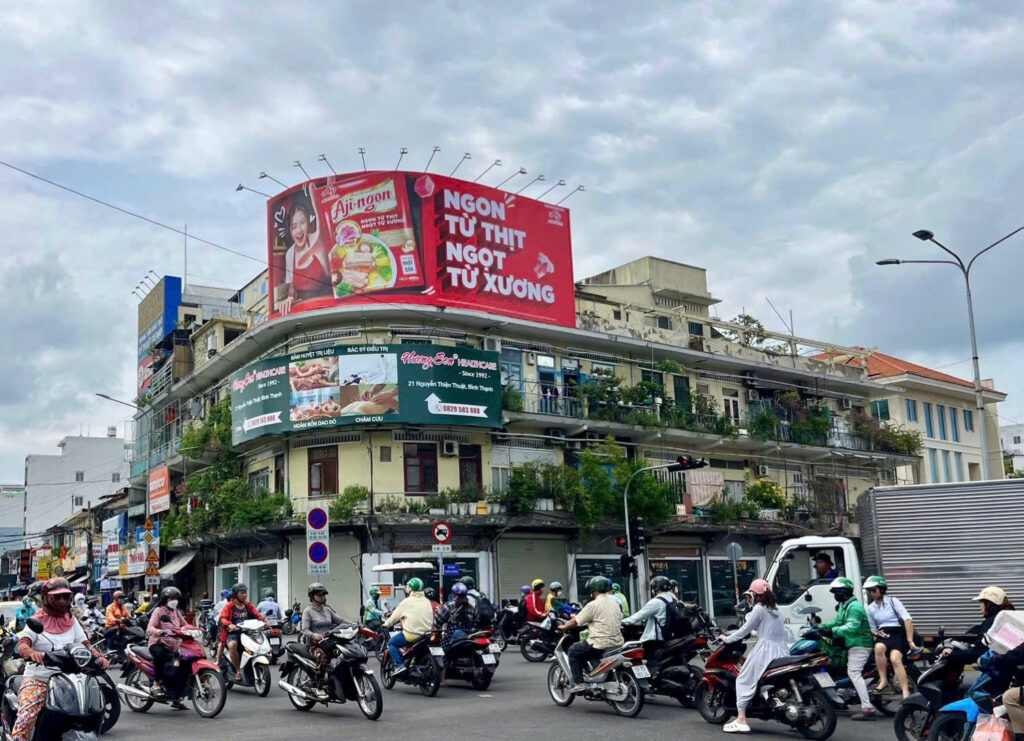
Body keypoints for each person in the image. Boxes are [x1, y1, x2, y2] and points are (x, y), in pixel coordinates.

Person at [12, 577, 109, 739]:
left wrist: (98, 656)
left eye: (66, 597)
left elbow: (85, 644)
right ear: (46, 598)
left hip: (69, 680)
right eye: (57, 597)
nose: (63, 601)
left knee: (93, 709)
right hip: (39, 679)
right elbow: (22, 643)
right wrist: (31, 653)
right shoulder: (36, 621)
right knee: (26, 718)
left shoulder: (71, 621)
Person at [720, 579, 789, 734]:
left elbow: (744, 630)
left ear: (755, 595)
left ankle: (741, 718)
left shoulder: (759, 609)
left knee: (743, 679)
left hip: (765, 650)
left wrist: (726, 639)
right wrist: (756, 632)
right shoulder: (776, 608)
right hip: (781, 649)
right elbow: (769, 629)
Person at [819, 577, 875, 721]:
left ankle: (867, 707)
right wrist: (822, 627)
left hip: (860, 644)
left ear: (844, 593)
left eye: (836, 593)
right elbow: (837, 622)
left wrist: (832, 631)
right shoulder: (845, 605)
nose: (834, 596)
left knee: (854, 672)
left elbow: (852, 627)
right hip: (851, 644)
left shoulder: (855, 607)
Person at [558, 576, 624, 694]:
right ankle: (595, 674)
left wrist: (563, 627)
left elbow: (576, 621)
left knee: (573, 651)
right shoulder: (615, 604)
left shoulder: (592, 605)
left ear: (594, 590)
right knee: (586, 652)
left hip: (599, 643)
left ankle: (579, 683)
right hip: (617, 642)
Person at [864, 575, 917, 699]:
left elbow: (908, 620)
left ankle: (906, 691)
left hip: (897, 634)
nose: (871, 593)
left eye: (873, 590)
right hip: (883, 634)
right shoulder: (870, 608)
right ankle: (883, 680)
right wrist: (876, 633)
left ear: (882, 589)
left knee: (895, 659)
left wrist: (910, 640)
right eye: (869, 591)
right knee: (878, 647)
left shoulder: (893, 601)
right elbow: (872, 627)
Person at [941, 586, 1015, 666]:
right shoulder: (1006, 618)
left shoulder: (993, 622)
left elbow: (979, 652)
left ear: (988, 604)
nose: (980, 606)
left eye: (981, 603)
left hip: (1001, 669)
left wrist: (952, 655)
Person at [280, 199, 328, 314]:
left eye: (302, 222)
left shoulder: (317, 240)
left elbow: (332, 276)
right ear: (290, 230)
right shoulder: (290, 254)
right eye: (294, 226)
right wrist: (290, 298)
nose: (299, 230)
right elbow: (291, 287)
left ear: (308, 222)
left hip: (326, 306)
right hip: (304, 310)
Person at [383, 578, 434, 677]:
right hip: (426, 634)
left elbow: (394, 617)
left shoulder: (406, 602)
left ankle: (399, 665)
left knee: (391, 643)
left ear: (410, 588)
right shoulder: (427, 601)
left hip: (411, 635)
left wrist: (386, 624)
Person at [146, 586, 187, 708]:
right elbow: (150, 627)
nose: (175, 600)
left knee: (181, 663)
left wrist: (195, 630)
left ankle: (176, 696)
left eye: (176, 598)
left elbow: (185, 625)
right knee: (160, 656)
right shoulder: (158, 611)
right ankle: (157, 684)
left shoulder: (176, 612)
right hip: (158, 643)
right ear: (165, 599)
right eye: (172, 598)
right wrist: (159, 631)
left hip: (173, 646)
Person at [218, 583, 267, 682]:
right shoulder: (229, 606)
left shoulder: (248, 605)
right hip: (233, 633)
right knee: (232, 645)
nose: (245, 595)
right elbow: (222, 618)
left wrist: (264, 621)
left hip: (247, 632)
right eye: (242, 593)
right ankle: (238, 671)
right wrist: (229, 624)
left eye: (245, 593)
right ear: (236, 594)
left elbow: (257, 614)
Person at [622, 575, 675, 651]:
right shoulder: (671, 599)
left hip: (655, 639)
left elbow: (638, 617)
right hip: (668, 636)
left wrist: (621, 622)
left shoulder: (656, 601)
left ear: (654, 588)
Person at [434, 582, 476, 650]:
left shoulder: (449, 605)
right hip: (468, 637)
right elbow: (474, 623)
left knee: (442, 651)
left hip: (452, 636)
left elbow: (438, 621)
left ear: (454, 594)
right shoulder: (471, 607)